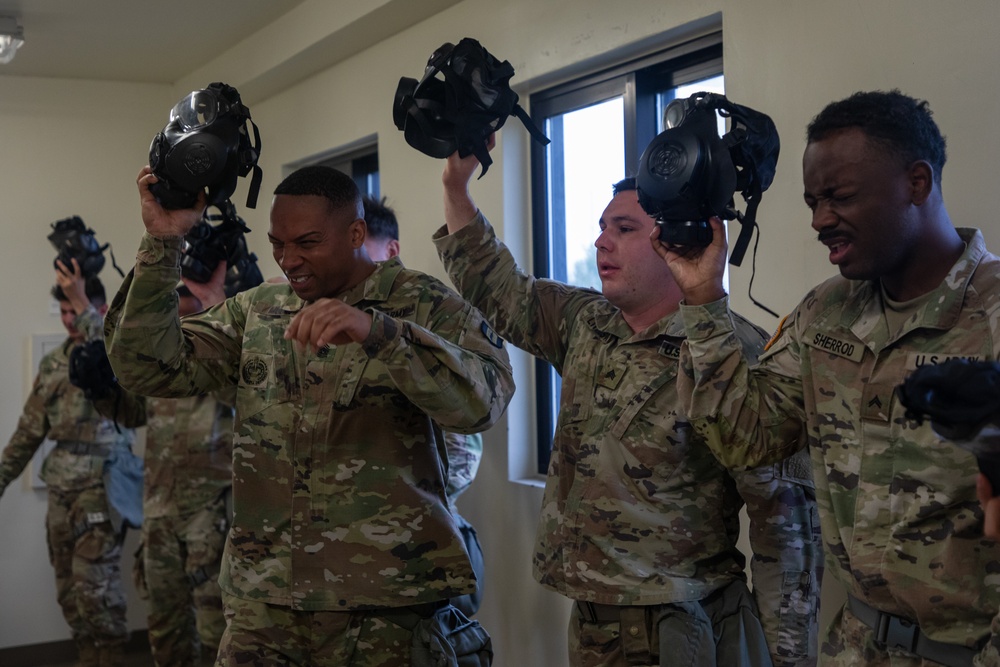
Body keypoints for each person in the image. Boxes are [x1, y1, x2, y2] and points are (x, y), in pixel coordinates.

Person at [104, 164, 515, 666]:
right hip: (264, 605)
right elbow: (144, 368)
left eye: (308, 242)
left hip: (383, 610)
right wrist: (163, 243)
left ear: (356, 232)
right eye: (278, 243)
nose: (289, 259)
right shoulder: (259, 310)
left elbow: (485, 401)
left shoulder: (423, 304)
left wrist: (379, 334)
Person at [434, 139, 822, 667]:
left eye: (624, 229)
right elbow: (498, 286)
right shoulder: (586, 323)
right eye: (601, 227)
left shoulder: (729, 348)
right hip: (594, 619)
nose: (601, 242)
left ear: (676, 242)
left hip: (678, 625)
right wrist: (456, 188)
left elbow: (787, 524)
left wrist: (787, 656)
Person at [658, 90, 1000, 665]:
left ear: (916, 184)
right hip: (854, 646)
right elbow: (746, 438)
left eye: (839, 198)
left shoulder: (989, 317)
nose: (820, 221)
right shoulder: (826, 313)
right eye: (812, 201)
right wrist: (702, 296)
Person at [0, 260, 137, 667]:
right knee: (68, 591)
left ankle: (108, 658)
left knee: (96, 590)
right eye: (61, 312)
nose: (68, 321)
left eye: (74, 311)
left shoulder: (119, 355)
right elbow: (28, 432)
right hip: (62, 488)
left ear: (94, 309)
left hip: (103, 487)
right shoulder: (54, 364)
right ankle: (87, 658)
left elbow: (135, 399)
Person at [94, 271, 233, 667]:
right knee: (166, 629)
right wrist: (101, 390)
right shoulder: (162, 356)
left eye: (187, 293)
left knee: (217, 633)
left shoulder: (225, 344)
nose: (180, 301)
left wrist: (214, 313)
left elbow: (239, 394)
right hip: (159, 511)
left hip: (208, 513)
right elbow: (135, 412)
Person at [363, 194, 487, 618]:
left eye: (363, 251)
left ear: (391, 250)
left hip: (415, 543)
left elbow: (463, 453)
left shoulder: (427, 314)